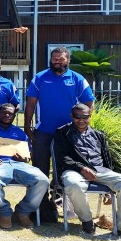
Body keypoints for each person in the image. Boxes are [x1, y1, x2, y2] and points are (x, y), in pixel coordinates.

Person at [24, 46, 95, 220]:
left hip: (68, 135)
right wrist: (27, 126)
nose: (57, 62)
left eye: (61, 59)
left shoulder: (77, 79)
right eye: (55, 59)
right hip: (44, 132)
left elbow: (89, 104)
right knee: (39, 169)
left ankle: (58, 202)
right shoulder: (40, 78)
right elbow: (31, 105)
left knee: (63, 169)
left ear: (68, 60)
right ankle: (39, 204)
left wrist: (81, 125)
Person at [54, 104, 121, 240]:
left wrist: (109, 183)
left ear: (90, 116)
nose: (81, 120)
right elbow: (62, 157)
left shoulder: (98, 135)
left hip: (100, 171)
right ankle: (87, 221)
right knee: (73, 185)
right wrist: (81, 168)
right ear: (72, 116)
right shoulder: (63, 133)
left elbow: (106, 159)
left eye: (85, 117)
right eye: (77, 116)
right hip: (74, 170)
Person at [0, 103, 49, 229]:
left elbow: (27, 155)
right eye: (4, 112)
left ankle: (23, 212)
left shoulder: (19, 133)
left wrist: (24, 158)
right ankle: (4, 213)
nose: (7, 115)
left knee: (43, 180)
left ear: (14, 115)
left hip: (18, 164)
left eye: (10, 113)